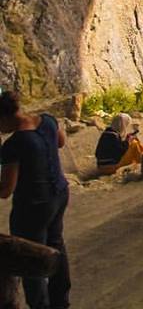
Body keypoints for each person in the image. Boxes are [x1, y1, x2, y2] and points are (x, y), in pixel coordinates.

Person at [0, 91, 71, 309]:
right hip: (59, 193)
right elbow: (61, 141)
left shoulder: (14, 144)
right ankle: (61, 301)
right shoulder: (47, 120)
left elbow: (5, 190)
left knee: (30, 259)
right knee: (56, 244)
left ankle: (40, 305)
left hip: (33, 206)